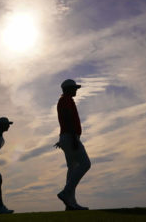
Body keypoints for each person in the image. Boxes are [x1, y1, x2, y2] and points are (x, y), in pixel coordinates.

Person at [55, 79, 91, 210]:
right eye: (74, 88)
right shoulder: (66, 100)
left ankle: (70, 203)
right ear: (68, 89)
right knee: (85, 164)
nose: (76, 90)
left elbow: (65, 120)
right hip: (70, 137)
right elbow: (68, 118)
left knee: (72, 168)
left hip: (67, 137)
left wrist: (64, 139)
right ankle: (66, 193)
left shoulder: (65, 100)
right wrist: (73, 139)